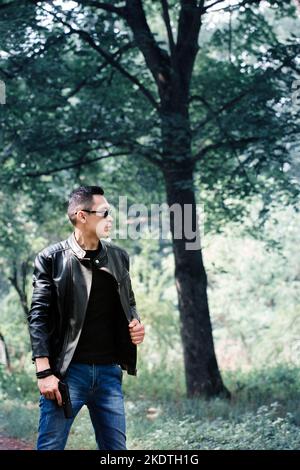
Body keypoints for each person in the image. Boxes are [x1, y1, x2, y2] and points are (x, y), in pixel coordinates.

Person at [27, 185, 145, 450]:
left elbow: (129, 302)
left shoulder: (118, 257)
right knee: (51, 447)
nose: (111, 218)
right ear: (82, 216)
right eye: (104, 213)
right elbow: (38, 317)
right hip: (67, 374)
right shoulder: (51, 258)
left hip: (109, 374)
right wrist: (44, 371)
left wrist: (136, 324)